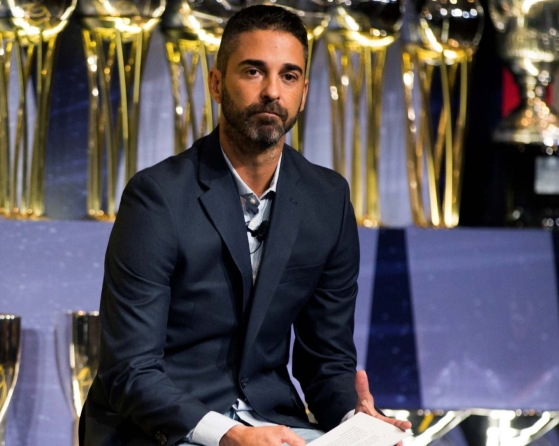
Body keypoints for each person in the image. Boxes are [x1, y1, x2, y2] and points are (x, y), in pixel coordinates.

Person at [79, 5, 411, 446]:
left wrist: (358, 419)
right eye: (253, 72)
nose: (272, 91)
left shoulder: (327, 200)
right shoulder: (157, 197)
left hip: (273, 421)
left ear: (304, 92)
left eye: (289, 76)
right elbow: (130, 369)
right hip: (166, 429)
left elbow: (326, 363)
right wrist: (229, 435)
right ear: (217, 84)